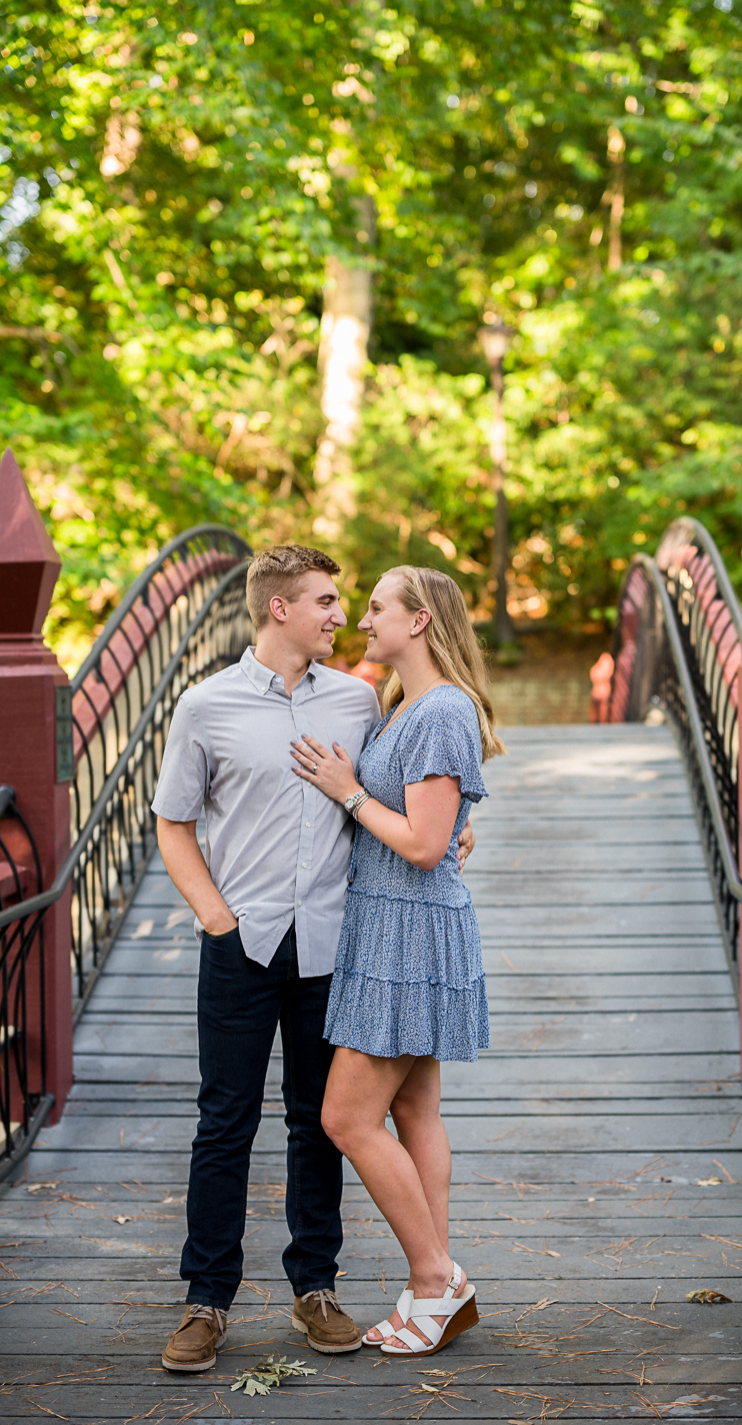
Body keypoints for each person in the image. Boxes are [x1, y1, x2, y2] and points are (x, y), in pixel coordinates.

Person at [150, 545, 476, 1372]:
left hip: (340, 942)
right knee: (224, 1121)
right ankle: (206, 1300)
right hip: (242, 940)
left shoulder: (360, 700)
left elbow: (409, 798)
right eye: (328, 602)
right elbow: (173, 822)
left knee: (318, 1120)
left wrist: (453, 829)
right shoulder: (206, 705)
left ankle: (315, 1289)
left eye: (352, 603)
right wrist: (213, 915)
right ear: (279, 609)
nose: (344, 616)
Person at [290, 565, 504, 1359]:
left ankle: (433, 1278)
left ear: (419, 622)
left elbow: (419, 844)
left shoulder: (442, 709)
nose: (360, 619)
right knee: (413, 1112)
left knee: (345, 1116)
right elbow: (434, 827)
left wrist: (347, 790)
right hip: (389, 926)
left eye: (376, 607)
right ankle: (435, 1291)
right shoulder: (403, 706)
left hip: (408, 932)